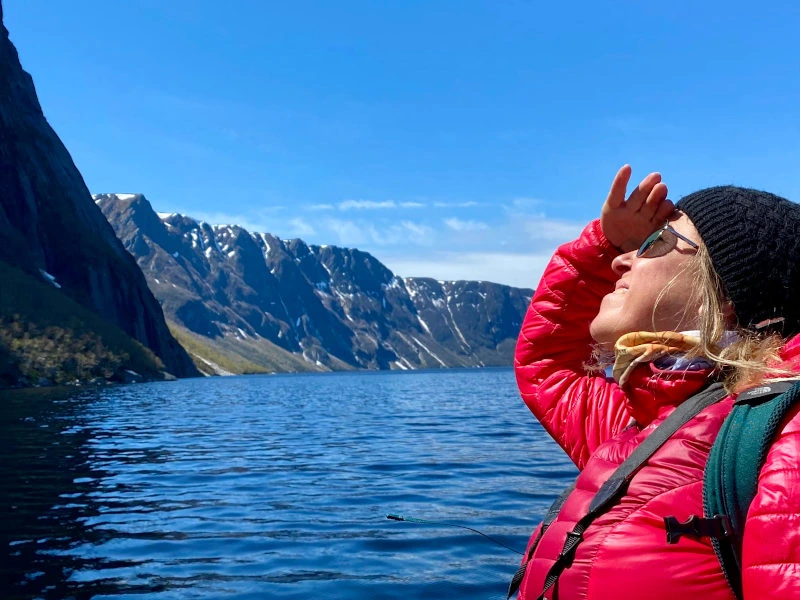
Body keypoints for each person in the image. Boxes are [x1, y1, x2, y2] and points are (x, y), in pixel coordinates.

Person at [513, 165, 800, 600]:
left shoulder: (780, 436)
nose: (620, 259)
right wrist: (598, 247)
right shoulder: (645, 425)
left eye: (656, 242)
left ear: (725, 297)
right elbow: (548, 363)